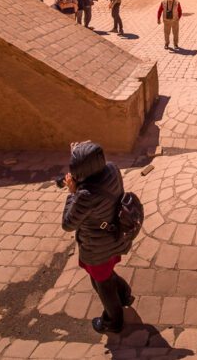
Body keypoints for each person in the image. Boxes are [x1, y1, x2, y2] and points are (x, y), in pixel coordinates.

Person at [62, 141, 133, 334]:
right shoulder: (112, 169)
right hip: (115, 236)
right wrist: (79, 152)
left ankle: (114, 321)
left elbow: (68, 224)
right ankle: (125, 294)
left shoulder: (85, 195)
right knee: (106, 274)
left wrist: (72, 193)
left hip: (97, 246)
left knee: (101, 283)